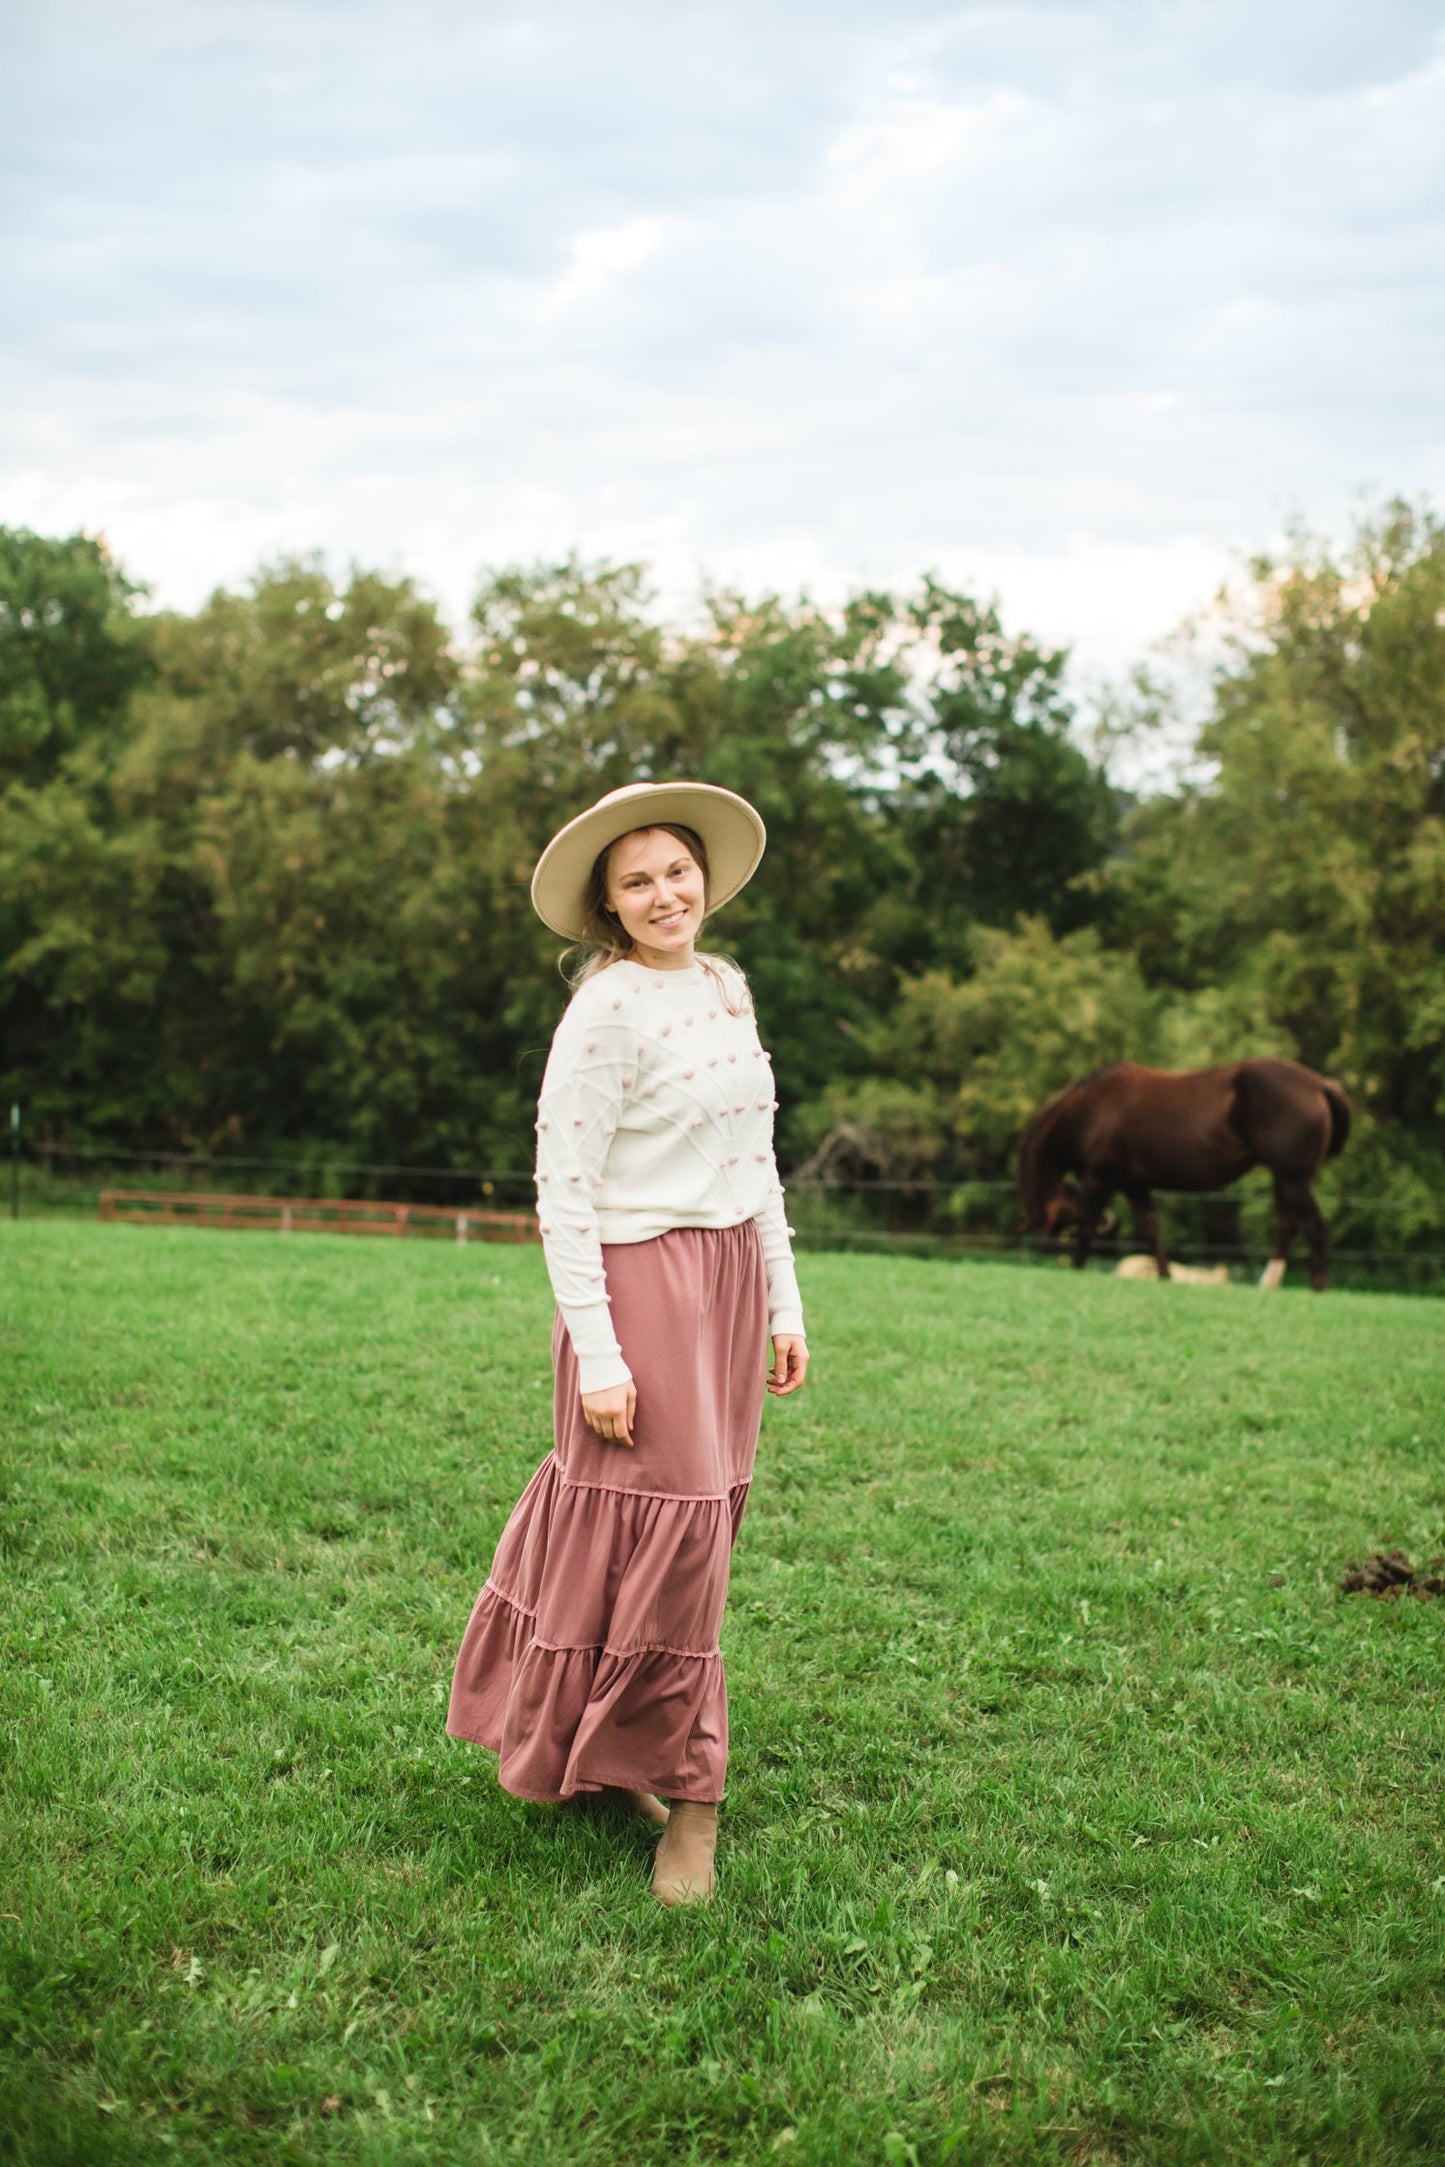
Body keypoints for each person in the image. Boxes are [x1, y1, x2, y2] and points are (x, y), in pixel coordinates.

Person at [446, 782, 809, 1904]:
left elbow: (756, 1160)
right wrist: (598, 1354)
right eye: (636, 881)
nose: (664, 893)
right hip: (637, 1285)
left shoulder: (724, 988)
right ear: (609, 909)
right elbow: (561, 1189)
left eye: (675, 870)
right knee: (670, 1539)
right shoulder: (602, 1013)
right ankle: (691, 1799)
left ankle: (605, 1763)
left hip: (729, 1285)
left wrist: (784, 1300)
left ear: (706, 876)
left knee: (687, 1532)